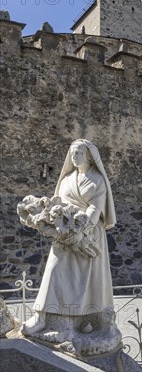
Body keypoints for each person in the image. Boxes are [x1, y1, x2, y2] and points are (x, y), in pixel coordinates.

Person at [21, 139, 117, 338]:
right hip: (64, 234)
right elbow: (58, 204)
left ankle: (85, 319)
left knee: (87, 280)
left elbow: (94, 209)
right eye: (72, 153)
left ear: (89, 156)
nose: (74, 157)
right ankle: (42, 317)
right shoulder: (66, 180)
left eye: (79, 153)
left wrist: (81, 228)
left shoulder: (97, 179)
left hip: (89, 234)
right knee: (54, 270)